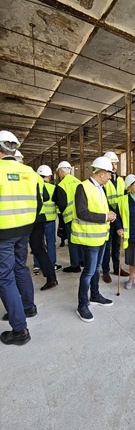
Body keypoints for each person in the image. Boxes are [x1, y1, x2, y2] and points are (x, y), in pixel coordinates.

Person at [0, 130, 42, 345]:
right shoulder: (30, 172)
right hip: (24, 230)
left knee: (4, 277)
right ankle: (28, 307)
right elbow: (39, 202)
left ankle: (20, 329)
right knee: (20, 268)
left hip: (3, 233)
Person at [71, 157, 116, 322]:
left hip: (101, 237)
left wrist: (110, 216)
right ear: (102, 173)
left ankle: (95, 295)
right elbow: (82, 212)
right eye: (109, 174)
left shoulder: (100, 188)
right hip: (90, 238)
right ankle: (82, 305)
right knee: (89, 271)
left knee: (96, 269)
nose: (111, 177)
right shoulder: (82, 187)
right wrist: (106, 216)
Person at [101, 151, 129, 283]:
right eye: (112, 163)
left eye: (116, 163)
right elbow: (104, 201)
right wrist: (114, 216)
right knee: (107, 246)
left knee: (117, 245)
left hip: (118, 217)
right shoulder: (104, 182)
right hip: (108, 217)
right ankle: (105, 271)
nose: (114, 166)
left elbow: (123, 198)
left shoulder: (120, 180)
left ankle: (117, 268)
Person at [53, 160, 83, 272]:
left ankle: (75, 265)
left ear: (60, 172)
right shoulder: (78, 181)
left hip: (70, 217)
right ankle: (82, 260)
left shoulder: (62, 185)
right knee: (80, 239)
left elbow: (61, 204)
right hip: (81, 216)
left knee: (73, 241)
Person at [32, 165, 61, 274]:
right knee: (50, 243)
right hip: (50, 219)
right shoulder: (53, 188)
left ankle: (36, 265)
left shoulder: (34, 186)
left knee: (37, 243)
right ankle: (51, 264)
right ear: (49, 177)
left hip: (38, 219)